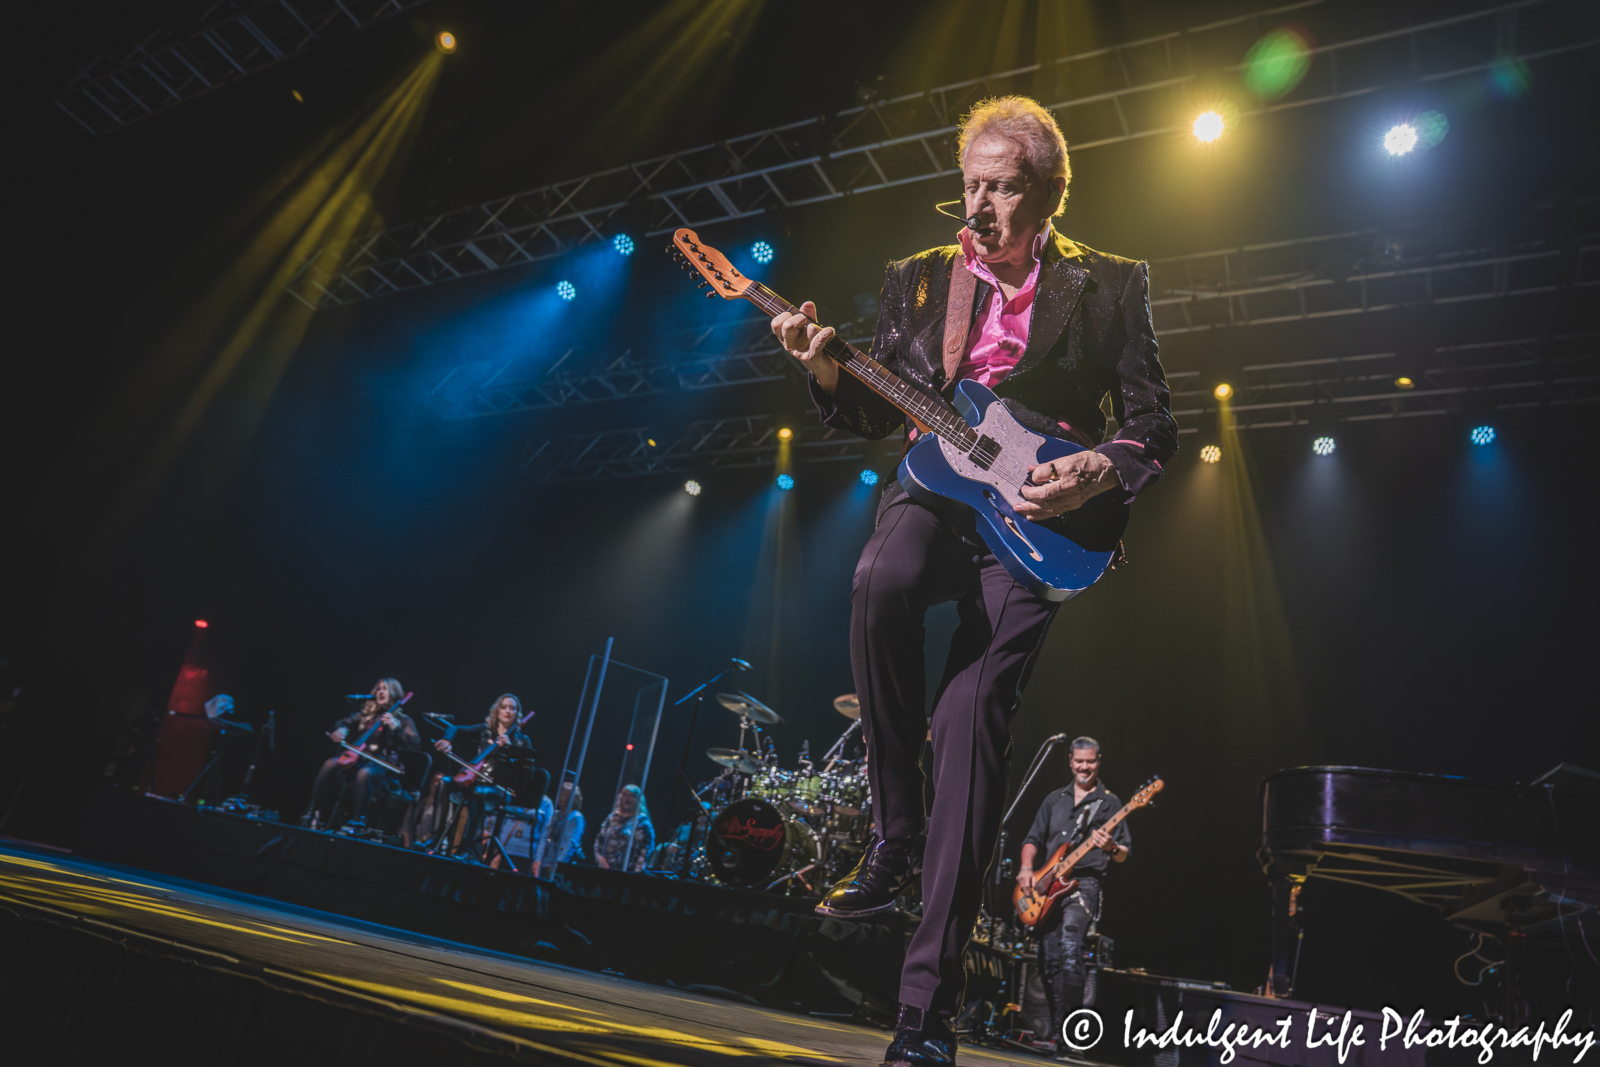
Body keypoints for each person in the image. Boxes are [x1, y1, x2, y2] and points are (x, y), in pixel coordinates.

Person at [770, 95, 1174, 1067]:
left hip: (1033, 528)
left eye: (1002, 186)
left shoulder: (1111, 284)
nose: (980, 202)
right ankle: (892, 832)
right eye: (971, 184)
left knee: (971, 731)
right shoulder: (917, 282)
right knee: (878, 576)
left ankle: (924, 1018)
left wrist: (1101, 464)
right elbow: (874, 416)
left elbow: (1154, 423)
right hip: (933, 493)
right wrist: (826, 374)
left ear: (1046, 194)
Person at [1018, 737, 1130, 1056]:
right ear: (1070, 761)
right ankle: (1057, 1033)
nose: (1084, 767)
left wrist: (1109, 846)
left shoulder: (1110, 803)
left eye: (1091, 761)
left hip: (1084, 886)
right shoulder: (1055, 799)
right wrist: (1027, 868)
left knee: (1070, 947)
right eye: (1079, 761)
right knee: (1048, 958)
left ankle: (1073, 1037)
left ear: (1099, 761)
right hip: (1048, 887)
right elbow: (1032, 839)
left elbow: (1123, 854)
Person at [414, 693, 530, 853]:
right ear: (497, 710)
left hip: (498, 788)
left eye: (512, 708)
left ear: (517, 713)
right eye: (504, 707)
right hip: (475, 779)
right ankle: (438, 836)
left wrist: (511, 750)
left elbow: (522, 774)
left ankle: (465, 846)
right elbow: (454, 727)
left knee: (476, 793)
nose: (508, 711)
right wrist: (447, 739)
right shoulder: (485, 731)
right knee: (444, 783)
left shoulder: (521, 740)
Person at [305, 678, 418, 830]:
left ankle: (358, 821)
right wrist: (342, 729)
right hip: (358, 759)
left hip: (382, 765)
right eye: (378, 688)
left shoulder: (403, 720)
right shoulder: (367, 715)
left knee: (363, 774)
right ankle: (312, 812)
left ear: (394, 693)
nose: (380, 692)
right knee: (330, 763)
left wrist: (396, 728)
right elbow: (343, 722)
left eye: (385, 688)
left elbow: (414, 744)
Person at [593, 784, 654, 873]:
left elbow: (647, 847)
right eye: (624, 794)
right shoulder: (612, 817)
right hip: (605, 870)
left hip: (628, 872)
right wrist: (601, 860)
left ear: (638, 800)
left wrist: (638, 869)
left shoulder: (642, 821)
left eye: (631, 795)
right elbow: (599, 841)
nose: (627, 798)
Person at [531, 780, 584, 877]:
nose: (560, 797)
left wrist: (558, 864)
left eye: (564, 794)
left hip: (559, 866)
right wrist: (537, 859)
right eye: (560, 793)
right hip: (545, 862)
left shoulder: (575, 817)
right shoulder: (555, 815)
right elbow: (545, 837)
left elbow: (569, 844)